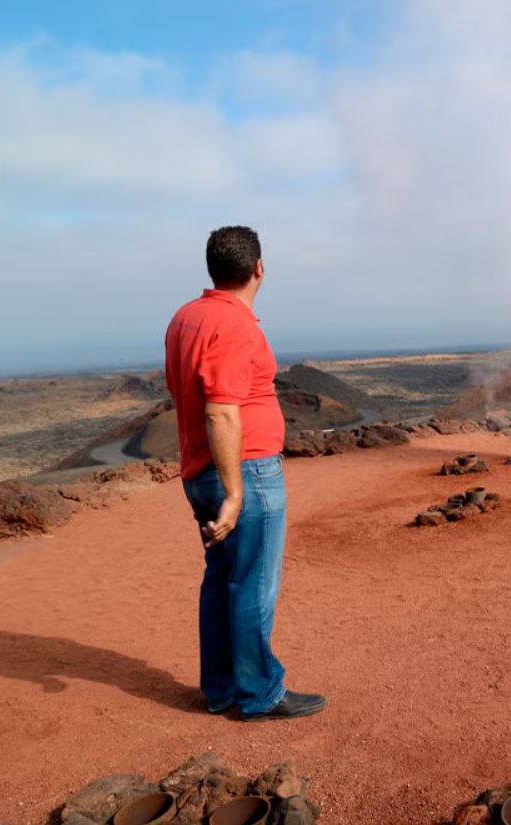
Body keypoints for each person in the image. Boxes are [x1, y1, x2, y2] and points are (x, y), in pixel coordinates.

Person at [164, 226, 328, 721]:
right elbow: (221, 411)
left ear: (213, 268)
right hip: (245, 475)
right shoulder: (236, 327)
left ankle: (220, 689)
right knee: (254, 583)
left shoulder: (185, 317)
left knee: (222, 580)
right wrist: (235, 493)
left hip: (200, 470)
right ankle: (260, 694)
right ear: (259, 268)